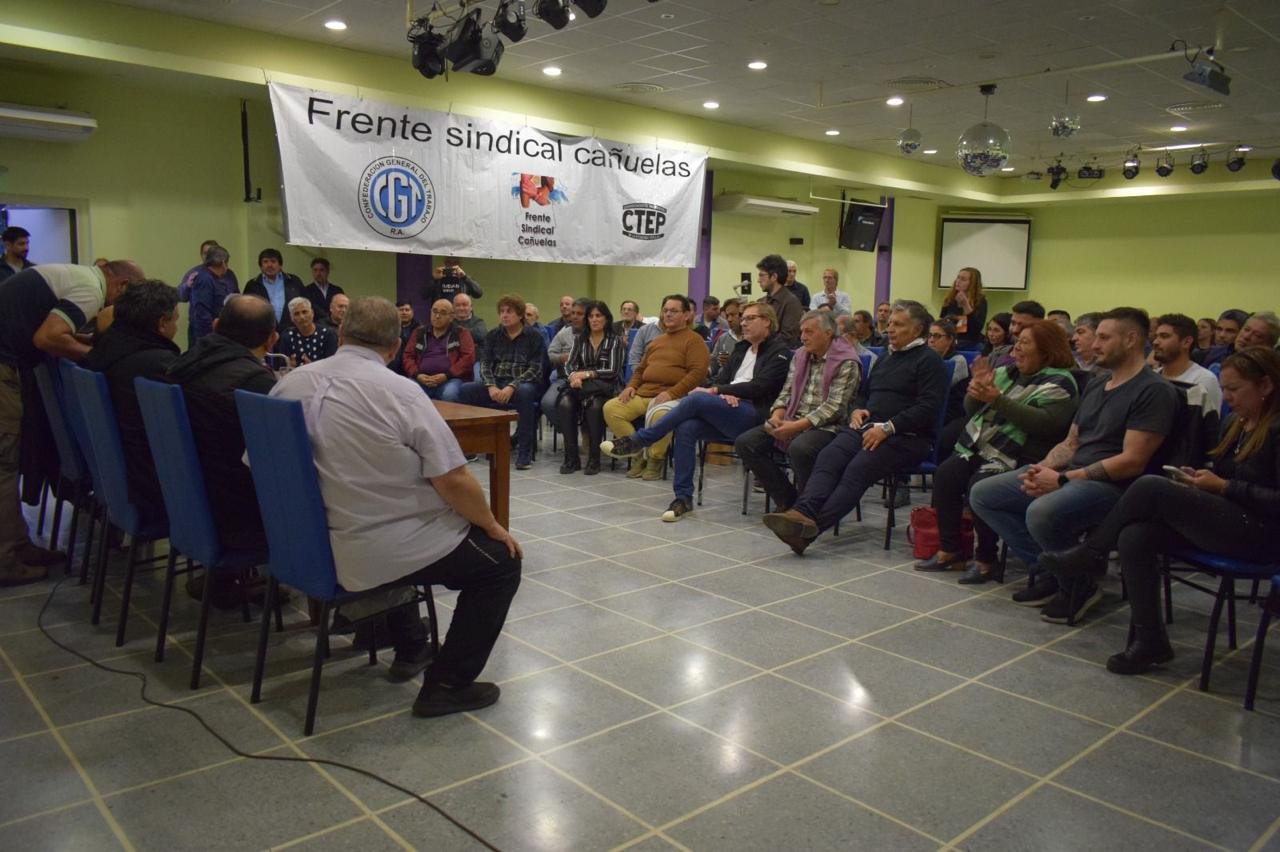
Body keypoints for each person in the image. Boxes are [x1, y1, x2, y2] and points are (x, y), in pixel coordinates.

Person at [270, 297, 521, 717]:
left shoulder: (289, 384)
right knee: (500, 562)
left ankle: (385, 633)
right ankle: (446, 684)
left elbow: (263, 465)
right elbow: (453, 479)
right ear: (394, 345)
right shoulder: (400, 392)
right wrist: (492, 524)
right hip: (375, 548)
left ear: (341, 333)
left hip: (305, 544)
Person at [1041, 347, 1280, 674]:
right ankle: (1150, 641)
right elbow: (1228, 476)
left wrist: (1225, 487)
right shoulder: (1236, 424)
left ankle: (1093, 552)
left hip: (1264, 535)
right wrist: (1201, 480)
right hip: (1232, 517)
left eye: (1235, 390)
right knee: (1135, 536)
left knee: (1150, 486)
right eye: (1224, 389)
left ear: (1265, 385)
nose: (1227, 397)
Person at [968, 307, 1180, 624]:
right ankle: (1053, 571)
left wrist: (1063, 480)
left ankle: (1078, 585)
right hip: (1075, 474)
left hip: (1117, 487)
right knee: (984, 494)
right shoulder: (1098, 384)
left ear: (1131, 340)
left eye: (1104, 338)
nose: (1094, 345)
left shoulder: (1153, 390)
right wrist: (1040, 470)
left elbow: (1132, 462)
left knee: (1041, 511)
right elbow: (1071, 442)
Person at [762, 301, 947, 554]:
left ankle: (808, 532)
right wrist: (858, 409)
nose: (890, 329)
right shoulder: (887, 357)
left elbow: (927, 408)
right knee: (829, 456)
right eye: (890, 323)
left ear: (916, 330)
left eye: (898, 324)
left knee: (857, 468)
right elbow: (864, 394)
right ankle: (802, 512)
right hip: (868, 427)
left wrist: (888, 428)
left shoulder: (930, 361)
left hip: (907, 436)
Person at [0, 259, 142, 586]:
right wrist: (94, 358)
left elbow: (48, 327)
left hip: (7, 360)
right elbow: (47, 338)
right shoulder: (91, 290)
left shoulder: (76, 275)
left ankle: (18, 545)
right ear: (121, 286)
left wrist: (79, 339)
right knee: (4, 464)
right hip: (3, 365)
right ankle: (6, 559)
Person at [915, 321, 1079, 584]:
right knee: (946, 474)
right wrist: (977, 390)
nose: (1016, 348)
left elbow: (1046, 424)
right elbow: (972, 410)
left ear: (1046, 349)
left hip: (1024, 453)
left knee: (979, 483)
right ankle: (951, 550)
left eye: (1024, 342)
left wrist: (996, 399)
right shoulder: (1007, 372)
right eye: (1017, 341)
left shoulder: (1060, 381)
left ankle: (986, 559)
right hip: (986, 445)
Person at [604, 303, 791, 520]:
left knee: (697, 398)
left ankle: (640, 440)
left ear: (766, 321)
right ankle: (683, 498)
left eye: (749, 318)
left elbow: (761, 386)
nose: (743, 323)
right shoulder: (742, 348)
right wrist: (723, 392)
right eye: (743, 319)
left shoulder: (779, 352)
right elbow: (722, 378)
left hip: (755, 414)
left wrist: (721, 391)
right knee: (687, 427)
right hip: (728, 408)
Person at [167, 295, 277, 562]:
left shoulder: (182, 363)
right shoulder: (255, 383)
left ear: (216, 325)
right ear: (271, 340)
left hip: (187, 498)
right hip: (237, 514)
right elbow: (275, 455)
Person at [80, 280, 182, 525]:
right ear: (162, 323)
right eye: (175, 319)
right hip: (151, 483)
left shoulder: (103, 349)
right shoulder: (158, 366)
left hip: (116, 473)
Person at [737, 311, 859, 512]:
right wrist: (777, 416)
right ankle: (789, 500)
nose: (803, 337)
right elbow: (787, 392)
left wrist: (796, 427)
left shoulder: (846, 361)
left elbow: (835, 408)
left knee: (801, 448)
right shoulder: (800, 355)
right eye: (802, 332)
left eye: (809, 332)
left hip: (829, 427)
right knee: (746, 443)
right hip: (792, 419)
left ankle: (809, 507)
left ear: (828, 333)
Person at [603, 294, 709, 481]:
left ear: (686, 315)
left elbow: (697, 373)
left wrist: (672, 393)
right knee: (611, 408)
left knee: (661, 415)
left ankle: (655, 460)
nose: (668, 314)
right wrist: (631, 386)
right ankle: (638, 454)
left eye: (674, 311)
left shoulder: (694, 341)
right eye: (665, 310)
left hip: (675, 397)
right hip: (644, 393)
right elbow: (640, 369)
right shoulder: (657, 341)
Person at [459, 294, 544, 469]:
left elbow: (536, 368)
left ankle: (524, 454)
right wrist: (491, 386)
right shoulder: (493, 335)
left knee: (526, 392)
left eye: (509, 312)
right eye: (502, 312)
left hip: (522, 384)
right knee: (466, 390)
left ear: (520, 314)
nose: (504, 315)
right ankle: (472, 446)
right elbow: (485, 364)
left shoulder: (534, 336)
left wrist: (512, 386)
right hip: (497, 382)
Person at [558, 301, 624, 475]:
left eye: (598, 316)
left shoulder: (614, 341)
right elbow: (569, 365)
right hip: (581, 386)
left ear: (606, 318)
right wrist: (574, 376)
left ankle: (594, 458)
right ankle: (571, 458)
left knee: (594, 406)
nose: (594, 319)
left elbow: (612, 371)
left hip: (606, 386)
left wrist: (585, 374)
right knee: (565, 403)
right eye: (591, 316)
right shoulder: (580, 339)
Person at [402, 299, 476, 402]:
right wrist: (417, 375)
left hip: (451, 379)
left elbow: (468, 358)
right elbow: (408, 356)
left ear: (451, 317)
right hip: (421, 379)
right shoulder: (419, 332)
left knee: (449, 394)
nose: (437, 316)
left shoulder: (461, 333)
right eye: (435, 311)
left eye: (443, 313)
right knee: (405, 391)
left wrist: (447, 375)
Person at [1152, 313, 1222, 414]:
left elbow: (1211, 421)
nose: (1155, 342)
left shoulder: (1204, 380)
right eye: (1156, 336)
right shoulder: (1152, 376)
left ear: (1186, 342)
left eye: (1164, 336)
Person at [541, 298, 588, 429]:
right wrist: (562, 357)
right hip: (564, 377)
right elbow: (551, 354)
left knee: (586, 405)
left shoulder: (595, 333)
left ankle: (583, 430)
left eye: (579, 314)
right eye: (573, 313)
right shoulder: (565, 332)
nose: (575, 317)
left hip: (588, 378)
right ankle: (568, 430)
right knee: (547, 403)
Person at [187, 245, 240, 347]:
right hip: (209, 337)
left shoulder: (225, 275)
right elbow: (202, 314)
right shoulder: (204, 279)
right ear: (223, 263)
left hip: (221, 333)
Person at [244, 248, 305, 333]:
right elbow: (246, 311)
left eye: (273, 261)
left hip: (292, 331)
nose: (269, 265)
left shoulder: (294, 281)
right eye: (265, 262)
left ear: (280, 265)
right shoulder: (252, 285)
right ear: (260, 266)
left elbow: (305, 304)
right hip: (263, 332)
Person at [927, 319, 970, 424]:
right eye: (930, 335)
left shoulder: (958, 361)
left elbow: (936, 388)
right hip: (930, 407)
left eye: (937, 336)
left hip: (949, 414)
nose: (931, 340)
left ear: (950, 339)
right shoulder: (927, 358)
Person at [759, 254, 804, 347]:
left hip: (777, 353)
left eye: (762, 275)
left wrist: (761, 343)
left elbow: (787, 338)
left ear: (774, 277)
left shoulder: (791, 302)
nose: (758, 280)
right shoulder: (761, 302)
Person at [280, 297, 338, 366]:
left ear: (312, 313)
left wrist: (311, 366)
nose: (302, 317)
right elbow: (282, 366)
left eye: (304, 312)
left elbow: (332, 364)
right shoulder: (287, 337)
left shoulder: (328, 334)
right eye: (296, 314)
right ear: (291, 318)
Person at [939, 267, 988, 345]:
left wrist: (966, 305)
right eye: (958, 277)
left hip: (970, 343)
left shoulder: (980, 301)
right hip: (951, 341)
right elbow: (943, 322)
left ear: (972, 283)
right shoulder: (950, 299)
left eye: (963, 279)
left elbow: (976, 329)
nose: (958, 281)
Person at [993, 301, 1046, 368]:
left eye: (1024, 326)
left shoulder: (1043, 362)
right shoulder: (998, 352)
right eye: (1013, 323)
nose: (1015, 330)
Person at [301, 257, 346, 323]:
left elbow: (343, 307)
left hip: (335, 324)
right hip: (316, 325)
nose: (318, 273)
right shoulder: (306, 291)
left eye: (321, 270)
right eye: (315, 270)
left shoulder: (337, 290)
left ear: (327, 271)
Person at [710, 298, 744, 368]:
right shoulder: (723, 338)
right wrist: (717, 361)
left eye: (733, 315)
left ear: (742, 314)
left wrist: (731, 361)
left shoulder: (753, 339)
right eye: (727, 316)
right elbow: (713, 364)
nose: (729, 319)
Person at [391, 300, 421, 376]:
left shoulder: (420, 330)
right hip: (393, 368)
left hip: (413, 367)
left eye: (407, 310)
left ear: (412, 312)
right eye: (401, 310)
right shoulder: (389, 329)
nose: (404, 312)